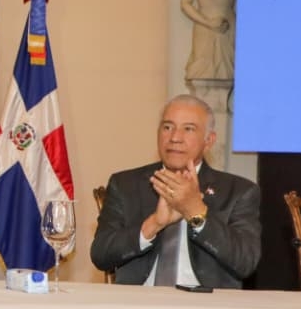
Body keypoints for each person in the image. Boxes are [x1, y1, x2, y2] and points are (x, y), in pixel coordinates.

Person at [90, 94, 261, 288]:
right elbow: (100, 255)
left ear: (209, 140)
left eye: (188, 129)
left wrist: (197, 213)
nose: (175, 138)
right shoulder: (125, 184)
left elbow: (246, 262)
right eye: (167, 127)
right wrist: (154, 224)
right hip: (139, 300)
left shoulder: (238, 192)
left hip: (206, 302)